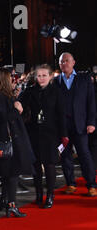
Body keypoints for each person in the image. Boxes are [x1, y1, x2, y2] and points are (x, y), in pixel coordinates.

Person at [19, 64, 68, 208]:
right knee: (36, 165)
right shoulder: (29, 91)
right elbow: (20, 104)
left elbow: (61, 115)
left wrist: (64, 135)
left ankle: (50, 195)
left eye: (44, 75)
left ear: (51, 76)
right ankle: (39, 194)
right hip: (33, 132)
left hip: (51, 133)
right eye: (38, 76)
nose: (41, 78)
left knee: (49, 164)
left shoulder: (57, 92)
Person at [0, 68, 34, 218]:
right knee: (12, 173)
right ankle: (11, 205)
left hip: (11, 138)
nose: (12, 80)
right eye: (10, 78)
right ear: (4, 80)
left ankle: (5, 201)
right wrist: (17, 109)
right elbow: (3, 119)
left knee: (9, 173)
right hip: (9, 140)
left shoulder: (2, 96)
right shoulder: (0, 98)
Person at [54, 52, 97, 197]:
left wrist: (91, 122)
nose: (64, 64)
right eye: (61, 62)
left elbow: (91, 103)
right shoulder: (56, 81)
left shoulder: (84, 79)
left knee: (84, 155)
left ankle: (91, 184)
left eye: (66, 61)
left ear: (73, 62)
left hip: (81, 124)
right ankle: (70, 183)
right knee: (65, 156)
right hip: (63, 126)